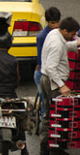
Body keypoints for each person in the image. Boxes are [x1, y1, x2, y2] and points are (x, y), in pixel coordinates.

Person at [39, 17, 80, 155]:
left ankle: (47, 147)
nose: (73, 36)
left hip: (46, 79)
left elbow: (63, 45)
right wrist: (62, 85)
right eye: (72, 34)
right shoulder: (57, 43)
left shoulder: (55, 33)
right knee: (56, 115)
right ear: (64, 30)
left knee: (49, 114)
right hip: (53, 82)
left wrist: (75, 44)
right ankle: (53, 149)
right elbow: (51, 68)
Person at [35, 7, 61, 118]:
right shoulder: (41, 37)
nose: (55, 25)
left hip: (57, 72)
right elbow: (41, 60)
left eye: (57, 22)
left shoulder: (63, 32)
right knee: (46, 104)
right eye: (52, 23)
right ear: (47, 22)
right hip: (44, 73)